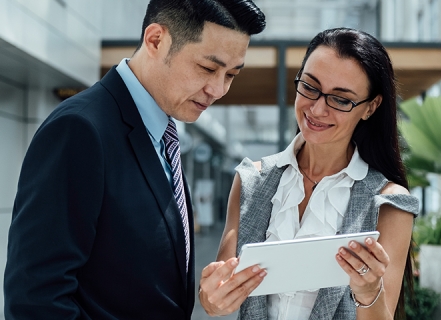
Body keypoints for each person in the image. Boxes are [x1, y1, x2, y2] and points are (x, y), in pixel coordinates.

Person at [3, 0, 265, 319]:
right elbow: (36, 298)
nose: (218, 89)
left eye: (231, 75)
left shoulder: (163, 131)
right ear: (156, 40)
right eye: (208, 68)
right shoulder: (80, 129)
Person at [199, 27, 419, 319]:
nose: (316, 109)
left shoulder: (389, 202)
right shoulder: (251, 180)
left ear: (370, 107)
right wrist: (211, 298)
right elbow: (217, 296)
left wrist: (368, 293)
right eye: (310, 87)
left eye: (341, 100)